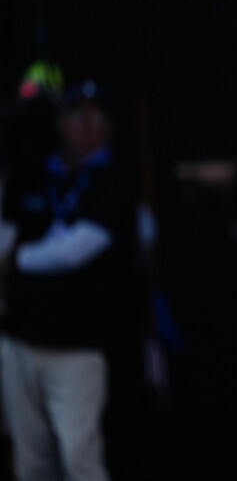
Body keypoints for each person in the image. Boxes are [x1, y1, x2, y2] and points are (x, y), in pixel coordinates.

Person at [0, 80, 139, 481]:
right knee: (30, 459)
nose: (86, 127)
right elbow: (7, 232)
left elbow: (75, 252)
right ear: (60, 123)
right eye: (77, 116)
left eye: (96, 118)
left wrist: (16, 259)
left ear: (109, 128)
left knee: (79, 452)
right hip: (21, 339)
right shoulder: (34, 175)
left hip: (79, 346)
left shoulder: (113, 182)